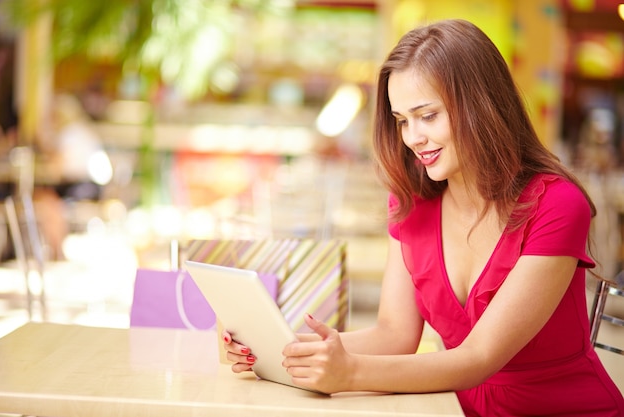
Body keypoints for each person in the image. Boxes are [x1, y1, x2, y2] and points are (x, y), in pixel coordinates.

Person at [223, 19, 624, 416]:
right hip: (452, 406)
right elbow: (393, 335)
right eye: (402, 120)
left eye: (427, 115)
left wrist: (350, 373)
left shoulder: (556, 205)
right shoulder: (412, 202)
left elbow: (479, 357)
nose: (412, 137)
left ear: (480, 105)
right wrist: (277, 347)